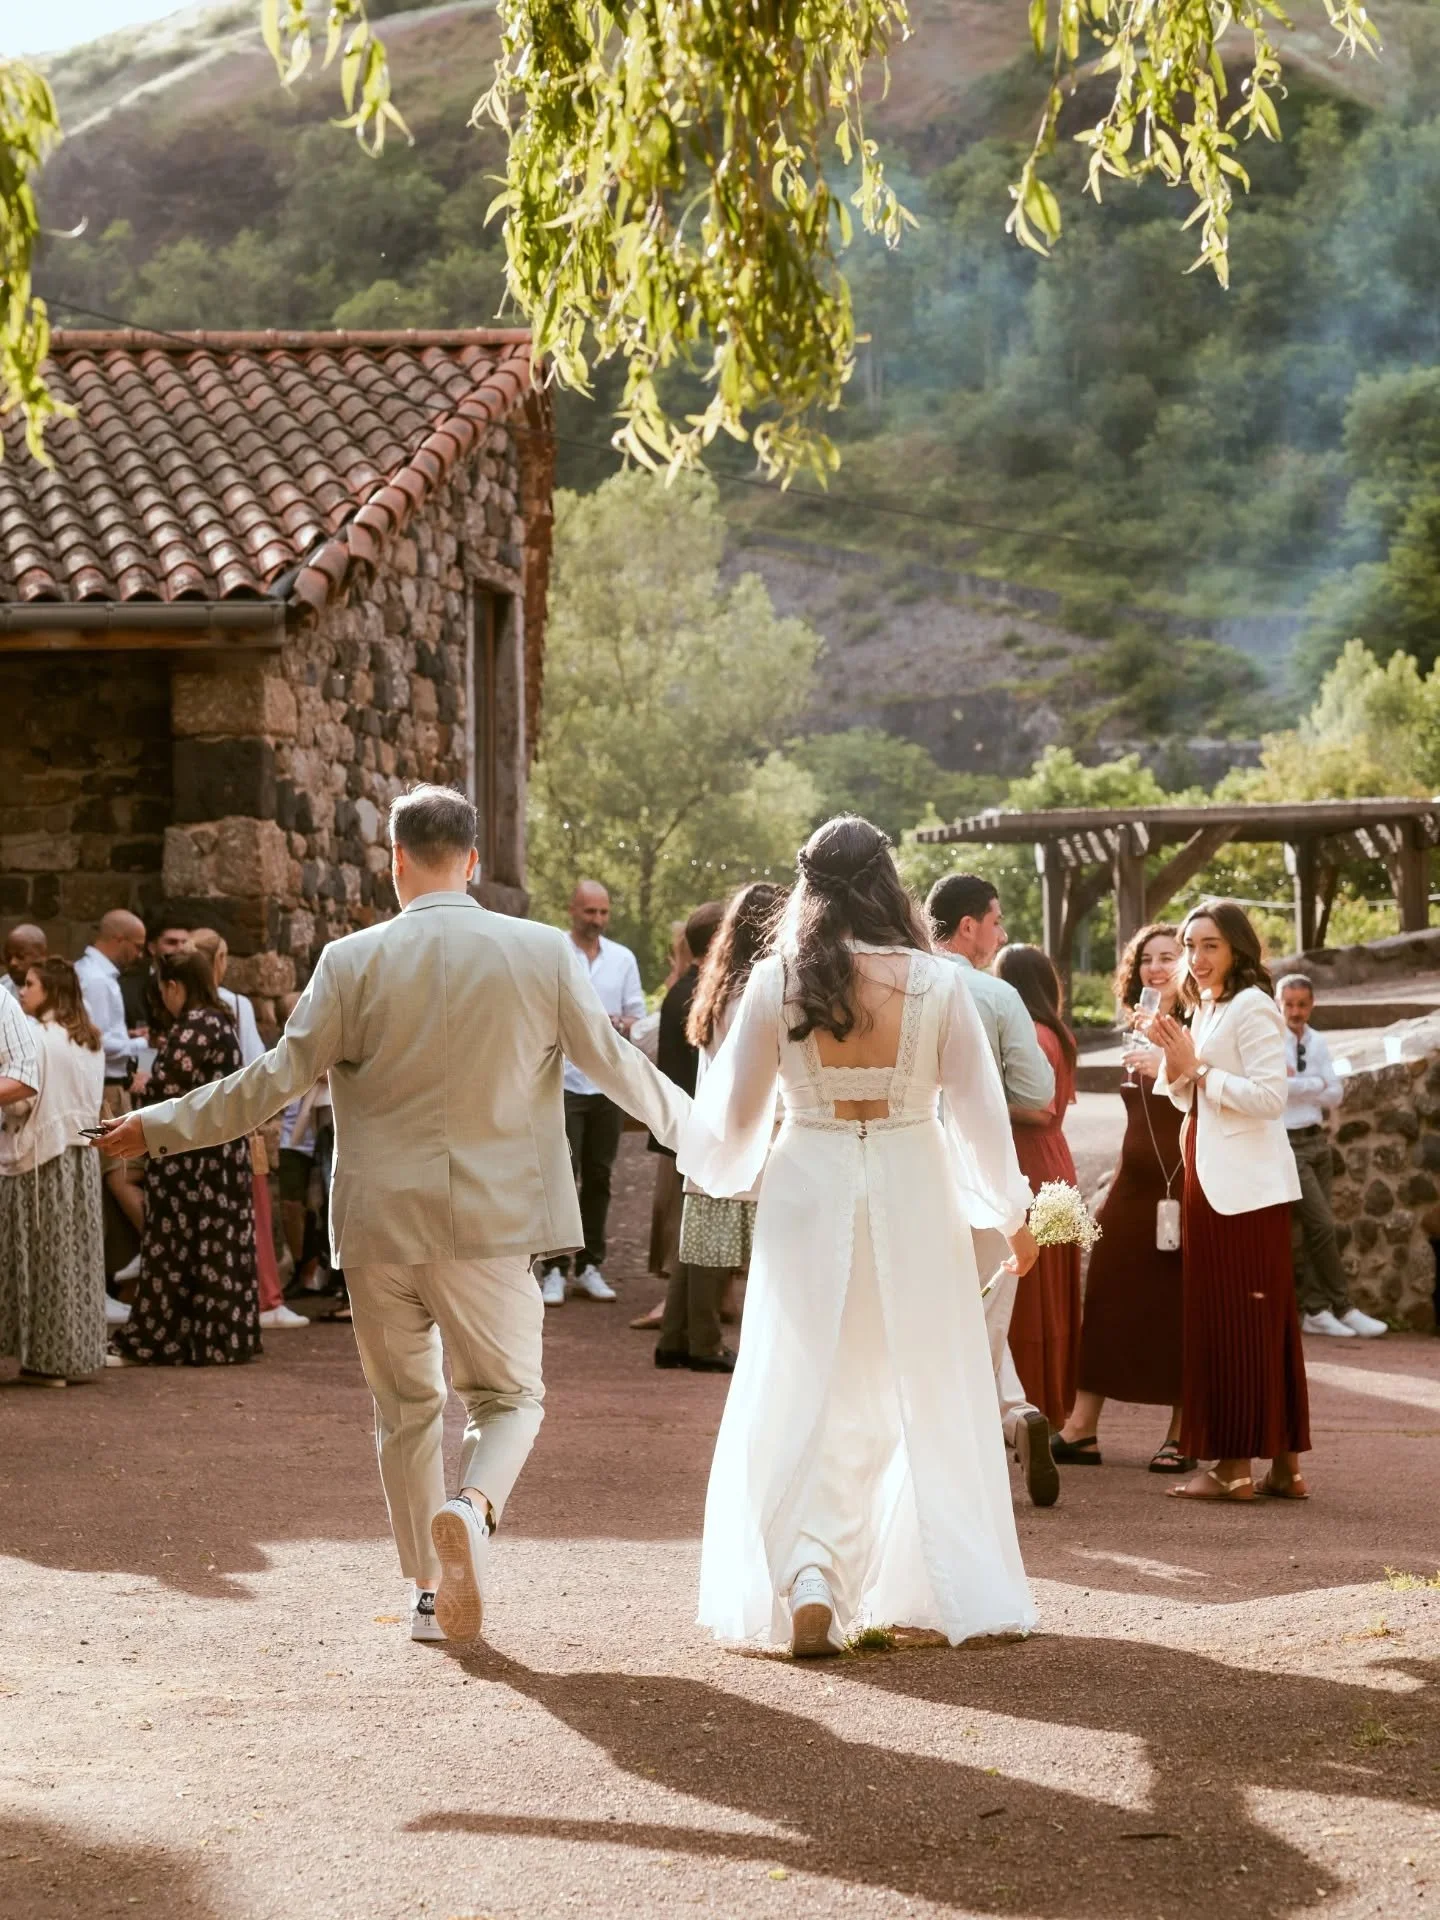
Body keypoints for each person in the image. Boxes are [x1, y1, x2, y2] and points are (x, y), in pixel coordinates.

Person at [98, 784, 691, 1647]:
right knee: (510, 1397)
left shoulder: (351, 960)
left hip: (377, 1227)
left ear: (396, 859)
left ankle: (424, 1590)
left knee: (405, 1409)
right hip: (490, 1225)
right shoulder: (542, 952)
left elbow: (269, 1086)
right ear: (476, 861)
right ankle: (472, 1508)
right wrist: (712, 1142)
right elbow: (619, 1068)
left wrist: (154, 1127)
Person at [678, 815, 1038, 1656]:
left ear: (808, 888)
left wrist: (704, 1152)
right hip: (916, 1182)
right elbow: (986, 1125)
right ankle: (922, 1579)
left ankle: (810, 1571)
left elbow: (730, 1134)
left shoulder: (775, 982)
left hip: (811, 1180)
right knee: (920, 1377)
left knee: (808, 1376)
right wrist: (1012, 1216)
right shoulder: (939, 982)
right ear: (889, 883)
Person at [1152, 900, 1310, 1503]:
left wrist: (1198, 1069)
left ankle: (1232, 1467)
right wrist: (1178, 1064)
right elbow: (1186, 1096)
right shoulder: (1208, 1007)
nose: (1196, 957)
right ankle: (1285, 1467)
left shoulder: (1252, 1007)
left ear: (1238, 949)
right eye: (1190, 945)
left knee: (1238, 1323)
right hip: (1215, 1181)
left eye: (1209, 944)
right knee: (1262, 1323)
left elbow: (1272, 1098)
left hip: (1243, 1193)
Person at [927, 874, 1059, 1506]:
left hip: (907, 1171)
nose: (1001, 933)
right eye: (996, 920)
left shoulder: (892, 982)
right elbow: (1039, 1093)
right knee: (981, 1316)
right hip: (978, 1173)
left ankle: (1011, 1413)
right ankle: (978, 1458)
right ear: (969, 925)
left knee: (921, 1315)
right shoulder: (994, 993)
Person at [1054, 924, 1194, 1473]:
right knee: (1109, 1288)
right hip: (1133, 1182)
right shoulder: (1138, 1027)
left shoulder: (1194, 1028)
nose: (1155, 970)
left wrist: (1171, 1059)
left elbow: (1203, 1094)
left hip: (1182, 1179)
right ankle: (1082, 1428)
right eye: (1146, 961)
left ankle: (1184, 1430)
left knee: (1178, 1301)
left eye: (1168, 959)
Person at [108, 948, 261, 1372]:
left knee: (174, 1247)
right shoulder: (221, 1021)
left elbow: (169, 1089)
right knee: (216, 1247)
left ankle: (163, 1339)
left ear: (175, 987)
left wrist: (142, 1085)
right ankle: (218, 1336)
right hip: (219, 1153)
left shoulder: (195, 1026)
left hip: (192, 1158)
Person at [657, 883, 784, 1374]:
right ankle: (704, 1343)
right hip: (742, 1128)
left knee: (698, 1245)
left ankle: (675, 1337)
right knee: (714, 1248)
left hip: (710, 1126)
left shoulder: (716, 985)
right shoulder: (753, 990)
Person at [190, 928, 307, 1332]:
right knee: (252, 1211)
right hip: (234, 1121)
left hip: (190, 1123)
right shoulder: (234, 1006)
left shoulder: (183, 1007)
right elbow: (256, 1062)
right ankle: (264, 1296)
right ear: (220, 960)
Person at [538, 879, 647, 1308]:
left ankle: (590, 1265)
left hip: (605, 1085)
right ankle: (554, 1270)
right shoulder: (552, 952)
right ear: (573, 910)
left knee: (600, 1176)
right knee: (561, 1174)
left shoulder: (623, 959)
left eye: (603, 912)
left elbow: (635, 1018)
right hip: (562, 1081)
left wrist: (617, 1023)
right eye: (590, 912)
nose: (598, 920)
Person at [0, 959, 106, 1384]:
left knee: (42, 1262)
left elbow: (23, 1099)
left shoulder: (38, 1038)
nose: (23, 992)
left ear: (53, 991)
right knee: (75, 1258)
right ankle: (74, 1354)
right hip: (81, 1156)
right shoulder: (90, 1040)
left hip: (40, 1158)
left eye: (30, 985)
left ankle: (45, 1358)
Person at [993, 943, 1083, 1435]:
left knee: (1027, 1292)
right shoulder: (1060, 1033)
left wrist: (984, 1102)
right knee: (1051, 1293)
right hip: (1057, 1160)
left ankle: (1028, 1407)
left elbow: (1040, 1106)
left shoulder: (1033, 1034)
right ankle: (1047, 1402)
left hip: (1031, 1158)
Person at [633, 903, 726, 1334]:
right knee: (681, 1223)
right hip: (687, 1127)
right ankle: (673, 1311)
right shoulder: (696, 991)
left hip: (681, 1125)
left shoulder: (692, 987)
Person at [1278, 973, 1386, 1339]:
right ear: (1278, 1003)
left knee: (1316, 1230)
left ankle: (1316, 1309)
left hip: (1317, 1141)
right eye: (1289, 1004)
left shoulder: (1317, 1041)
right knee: (1323, 1225)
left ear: (1312, 1004)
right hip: (1288, 1144)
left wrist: (1303, 1086)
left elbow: (1336, 1094)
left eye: (1302, 1004)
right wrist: (1314, 1085)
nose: (1295, 1011)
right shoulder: (1270, 1042)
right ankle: (1343, 1305)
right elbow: (1276, 1089)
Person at [75, 909, 149, 1311]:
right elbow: (103, 1041)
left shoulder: (93, 975)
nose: (138, 955)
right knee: (122, 1175)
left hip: (109, 1084)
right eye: (136, 946)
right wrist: (144, 1045)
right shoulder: (99, 981)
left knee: (118, 1178)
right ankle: (153, 1249)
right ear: (119, 939)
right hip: (107, 1087)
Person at [2, 923, 46, 1002]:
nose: (13, 963)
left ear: (41, 957)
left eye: (20, 956)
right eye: (8, 957)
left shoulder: (57, 993)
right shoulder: (3, 986)